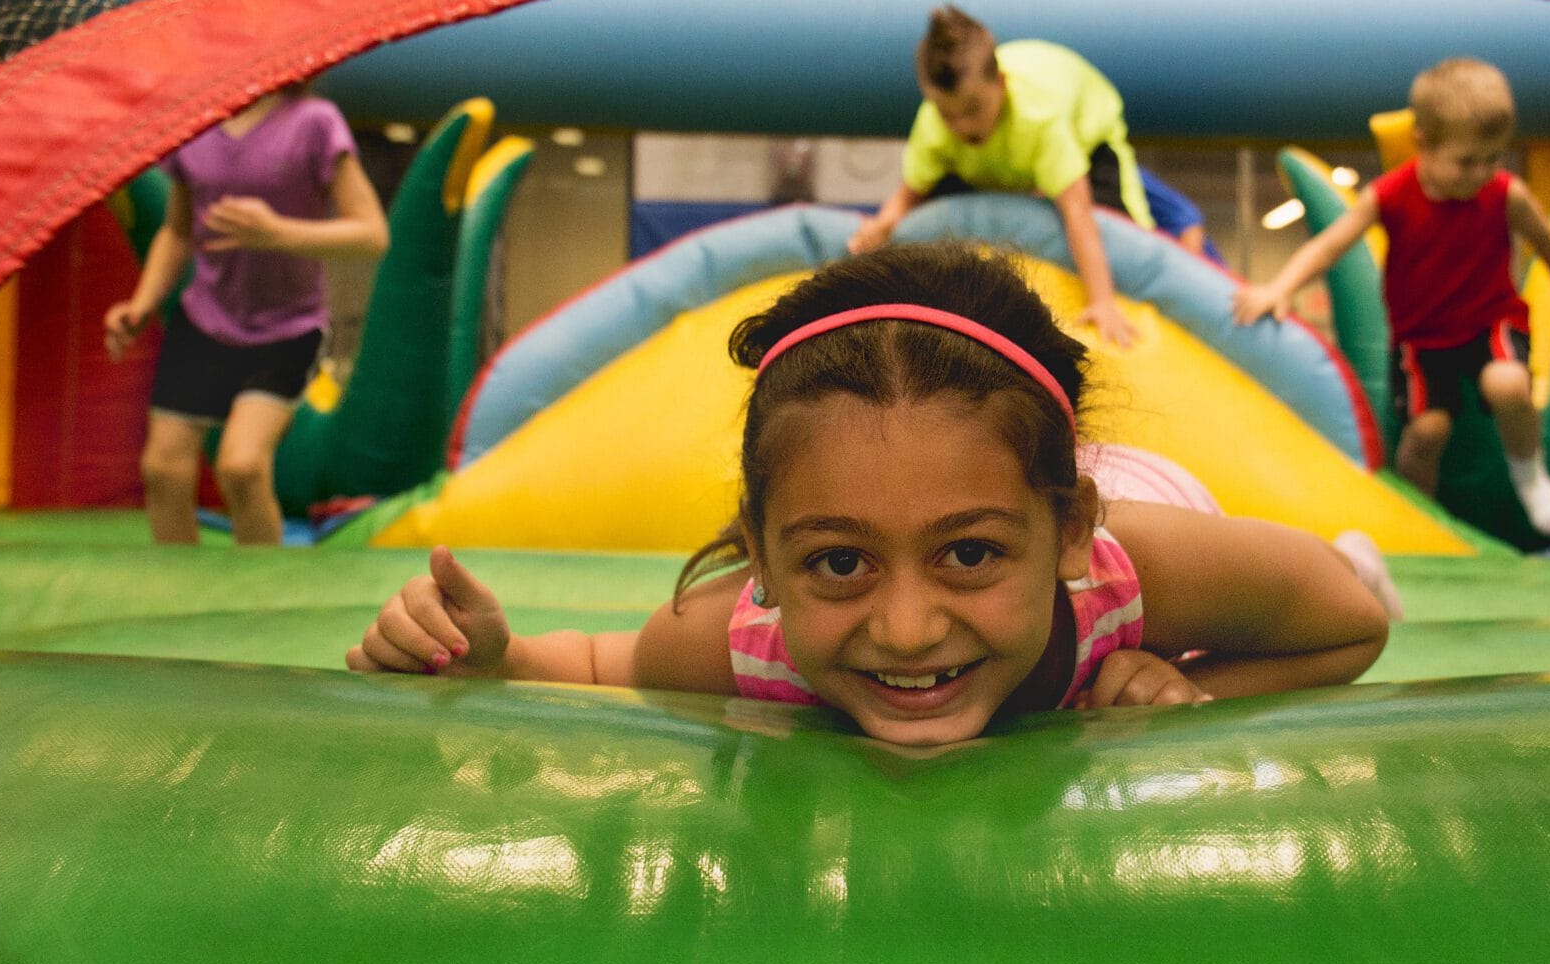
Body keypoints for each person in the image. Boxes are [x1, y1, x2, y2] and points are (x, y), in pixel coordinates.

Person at [348, 243, 1391, 744]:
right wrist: (488, 658)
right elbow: (588, 660)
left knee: (1333, 567)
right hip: (1030, 513)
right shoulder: (755, 638)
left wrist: (1188, 692)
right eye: (839, 561)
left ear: (1066, 531)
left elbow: (1350, 628)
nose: (902, 628)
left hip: (1140, 516)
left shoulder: (1132, 563)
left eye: (967, 555)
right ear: (758, 556)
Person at [1229, 58, 1550, 537]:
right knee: (1426, 434)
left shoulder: (1506, 194)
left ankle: (1531, 478)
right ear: (1423, 141)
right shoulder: (1390, 196)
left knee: (1507, 385)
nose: (1481, 172)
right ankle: (1420, 517)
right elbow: (1330, 245)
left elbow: (1546, 243)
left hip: (1490, 321)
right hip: (1422, 339)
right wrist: (1278, 288)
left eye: (1493, 158)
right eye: (1467, 161)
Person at [103, 87, 388, 545]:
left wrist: (278, 233)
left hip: (287, 328)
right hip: (204, 321)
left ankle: (261, 595)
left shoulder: (314, 121)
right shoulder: (194, 123)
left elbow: (371, 233)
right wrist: (141, 303)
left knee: (241, 466)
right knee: (162, 469)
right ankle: (175, 593)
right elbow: (178, 231)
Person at [849, 7, 1152, 349]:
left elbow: (1078, 213)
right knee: (932, 216)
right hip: (1003, 162)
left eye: (973, 109)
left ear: (1002, 85)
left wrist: (1102, 301)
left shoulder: (1041, 120)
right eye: (948, 114)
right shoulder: (936, 126)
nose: (962, 126)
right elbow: (908, 197)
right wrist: (883, 225)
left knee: (1122, 235)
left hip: (1088, 139)